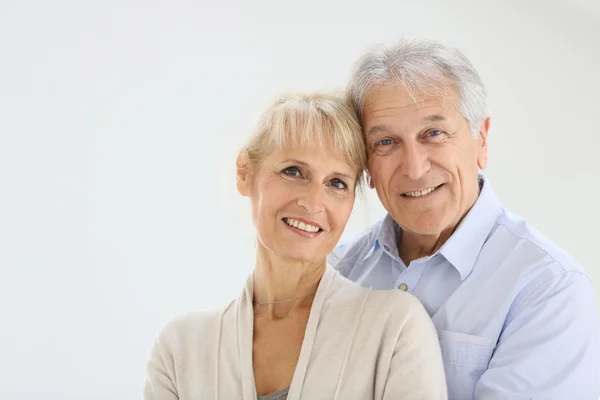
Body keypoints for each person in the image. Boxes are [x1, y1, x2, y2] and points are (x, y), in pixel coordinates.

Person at [329, 37, 600, 400]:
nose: (414, 167)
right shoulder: (338, 271)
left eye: (434, 133)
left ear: (481, 141)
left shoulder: (548, 289)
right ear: (366, 167)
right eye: (386, 143)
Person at [143, 92, 447, 399]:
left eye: (337, 183)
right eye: (293, 171)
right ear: (245, 172)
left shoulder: (395, 329)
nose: (314, 202)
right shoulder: (180, 350)